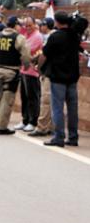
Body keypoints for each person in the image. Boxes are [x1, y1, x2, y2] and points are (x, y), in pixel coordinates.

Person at [0, 16, 31, 135]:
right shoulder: (19, 38)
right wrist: (26, 66)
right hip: (11, 72)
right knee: (6, 100)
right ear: (15, 25)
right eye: (19, 25)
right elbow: (26, 56)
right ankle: (2, 127)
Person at [40, 11, 81, 147]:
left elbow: (44, 54)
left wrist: (40, 68)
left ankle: (59, 137)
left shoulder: (55, 37)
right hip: (73, 77)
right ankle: (73, 137)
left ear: (56, 22)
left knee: (57, 108)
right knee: (72, 109)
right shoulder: (75, 36)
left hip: (57, 77)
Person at [12, 16, 43, 132]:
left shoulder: (37, 36)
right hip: (24, 70)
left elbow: (27, 50)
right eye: (26, 25)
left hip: (32, 72)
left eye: (30, 25)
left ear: (35, 24)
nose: (27, 27)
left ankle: (33, 121)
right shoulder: (25, 35)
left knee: (32, 98)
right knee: (24, 97)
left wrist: (20, 51)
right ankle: (25, 120)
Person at [29, 18, 56, 137]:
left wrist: (38, 67)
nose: (40, 27)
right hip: (54, 73)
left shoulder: (51, 37)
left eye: (42, 25)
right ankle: (50, 126)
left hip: (49, 73)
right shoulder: (49, 37)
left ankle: (42, 127)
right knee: (52, 102)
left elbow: (44, 55)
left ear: (47, 25)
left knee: (45, 101)